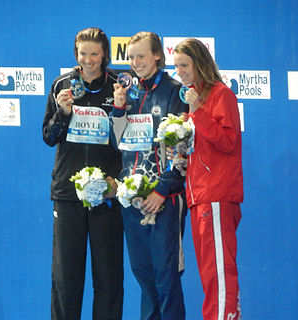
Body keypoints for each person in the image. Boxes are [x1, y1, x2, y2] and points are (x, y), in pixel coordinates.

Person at [42, 27, 123, 320]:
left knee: (109, 278)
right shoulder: (61, 84)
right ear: (75, 54)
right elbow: (49, 137)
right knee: (66, 279)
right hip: (67, 194)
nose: (88, 60)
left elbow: (127, 140)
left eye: (94, 54)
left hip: (107, 194)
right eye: (82, 54)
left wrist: (120, 109)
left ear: (105, 55)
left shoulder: (118, 87)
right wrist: (63, 113)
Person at [112, 31, 187, 320]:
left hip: (164, 199)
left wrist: (162, 189)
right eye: (131, 57)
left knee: (166, 278)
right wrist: (118, 109)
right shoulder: (127, 92)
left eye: (141, 55)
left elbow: (183, 147)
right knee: (143, 276)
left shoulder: (175, 91)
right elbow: (117, 141)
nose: (135, 62)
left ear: (157, 55)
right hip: (132, 198)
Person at [172, 38, 244, 320]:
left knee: (219, 273)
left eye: (184, 65)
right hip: (199, 195)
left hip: (216, 195)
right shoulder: (194, 98)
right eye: (177, 66)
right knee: (209, 274)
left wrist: (199, 112)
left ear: (199, 63)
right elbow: (200, 146)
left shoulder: (220, 94)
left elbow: (228, 141)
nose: (180, 71)